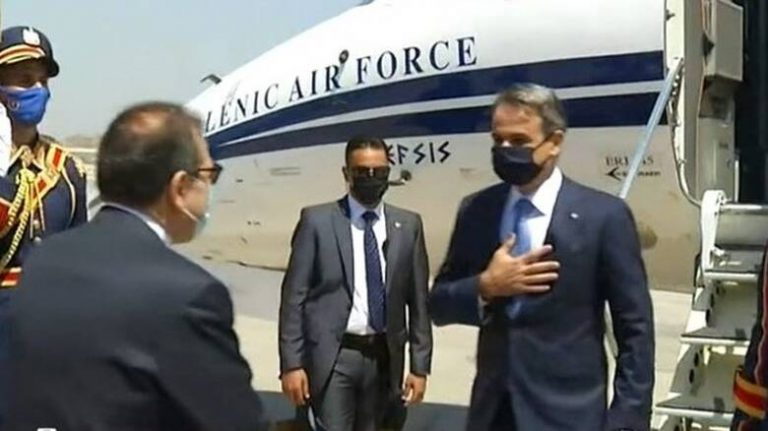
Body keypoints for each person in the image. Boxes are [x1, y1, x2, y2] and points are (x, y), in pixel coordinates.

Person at [5, 102, 268, 431]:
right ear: (179, 187)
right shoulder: (189, 294)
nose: (209, 188)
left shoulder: (45, 260)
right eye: (208, 175)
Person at [428, 83, 655, 431]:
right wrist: (485, 286)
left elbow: (635, 330)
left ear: (555, 142)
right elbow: (439, 304)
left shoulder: (604, 217)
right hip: (493, 415)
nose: (505, 150)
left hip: (569, 416)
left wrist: (627, 418)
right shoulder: (477, 209)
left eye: (519, 141)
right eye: (498, 140)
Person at [278, 136, 432, 431]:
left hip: (384, 358)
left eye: (379, 172)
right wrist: (291, 364)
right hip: (335, 357)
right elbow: (294, 298)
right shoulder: (317, 222)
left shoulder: (408, 225)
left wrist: (419, 366)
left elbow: (419, 303)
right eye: (362, 172)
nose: (371, 178)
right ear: (346, 173)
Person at [0, 25, 86, 425]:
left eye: (42, 81)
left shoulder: (66, 171)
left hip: (43, 343)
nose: (36, 89)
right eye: (22, 79)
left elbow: (78, 267)